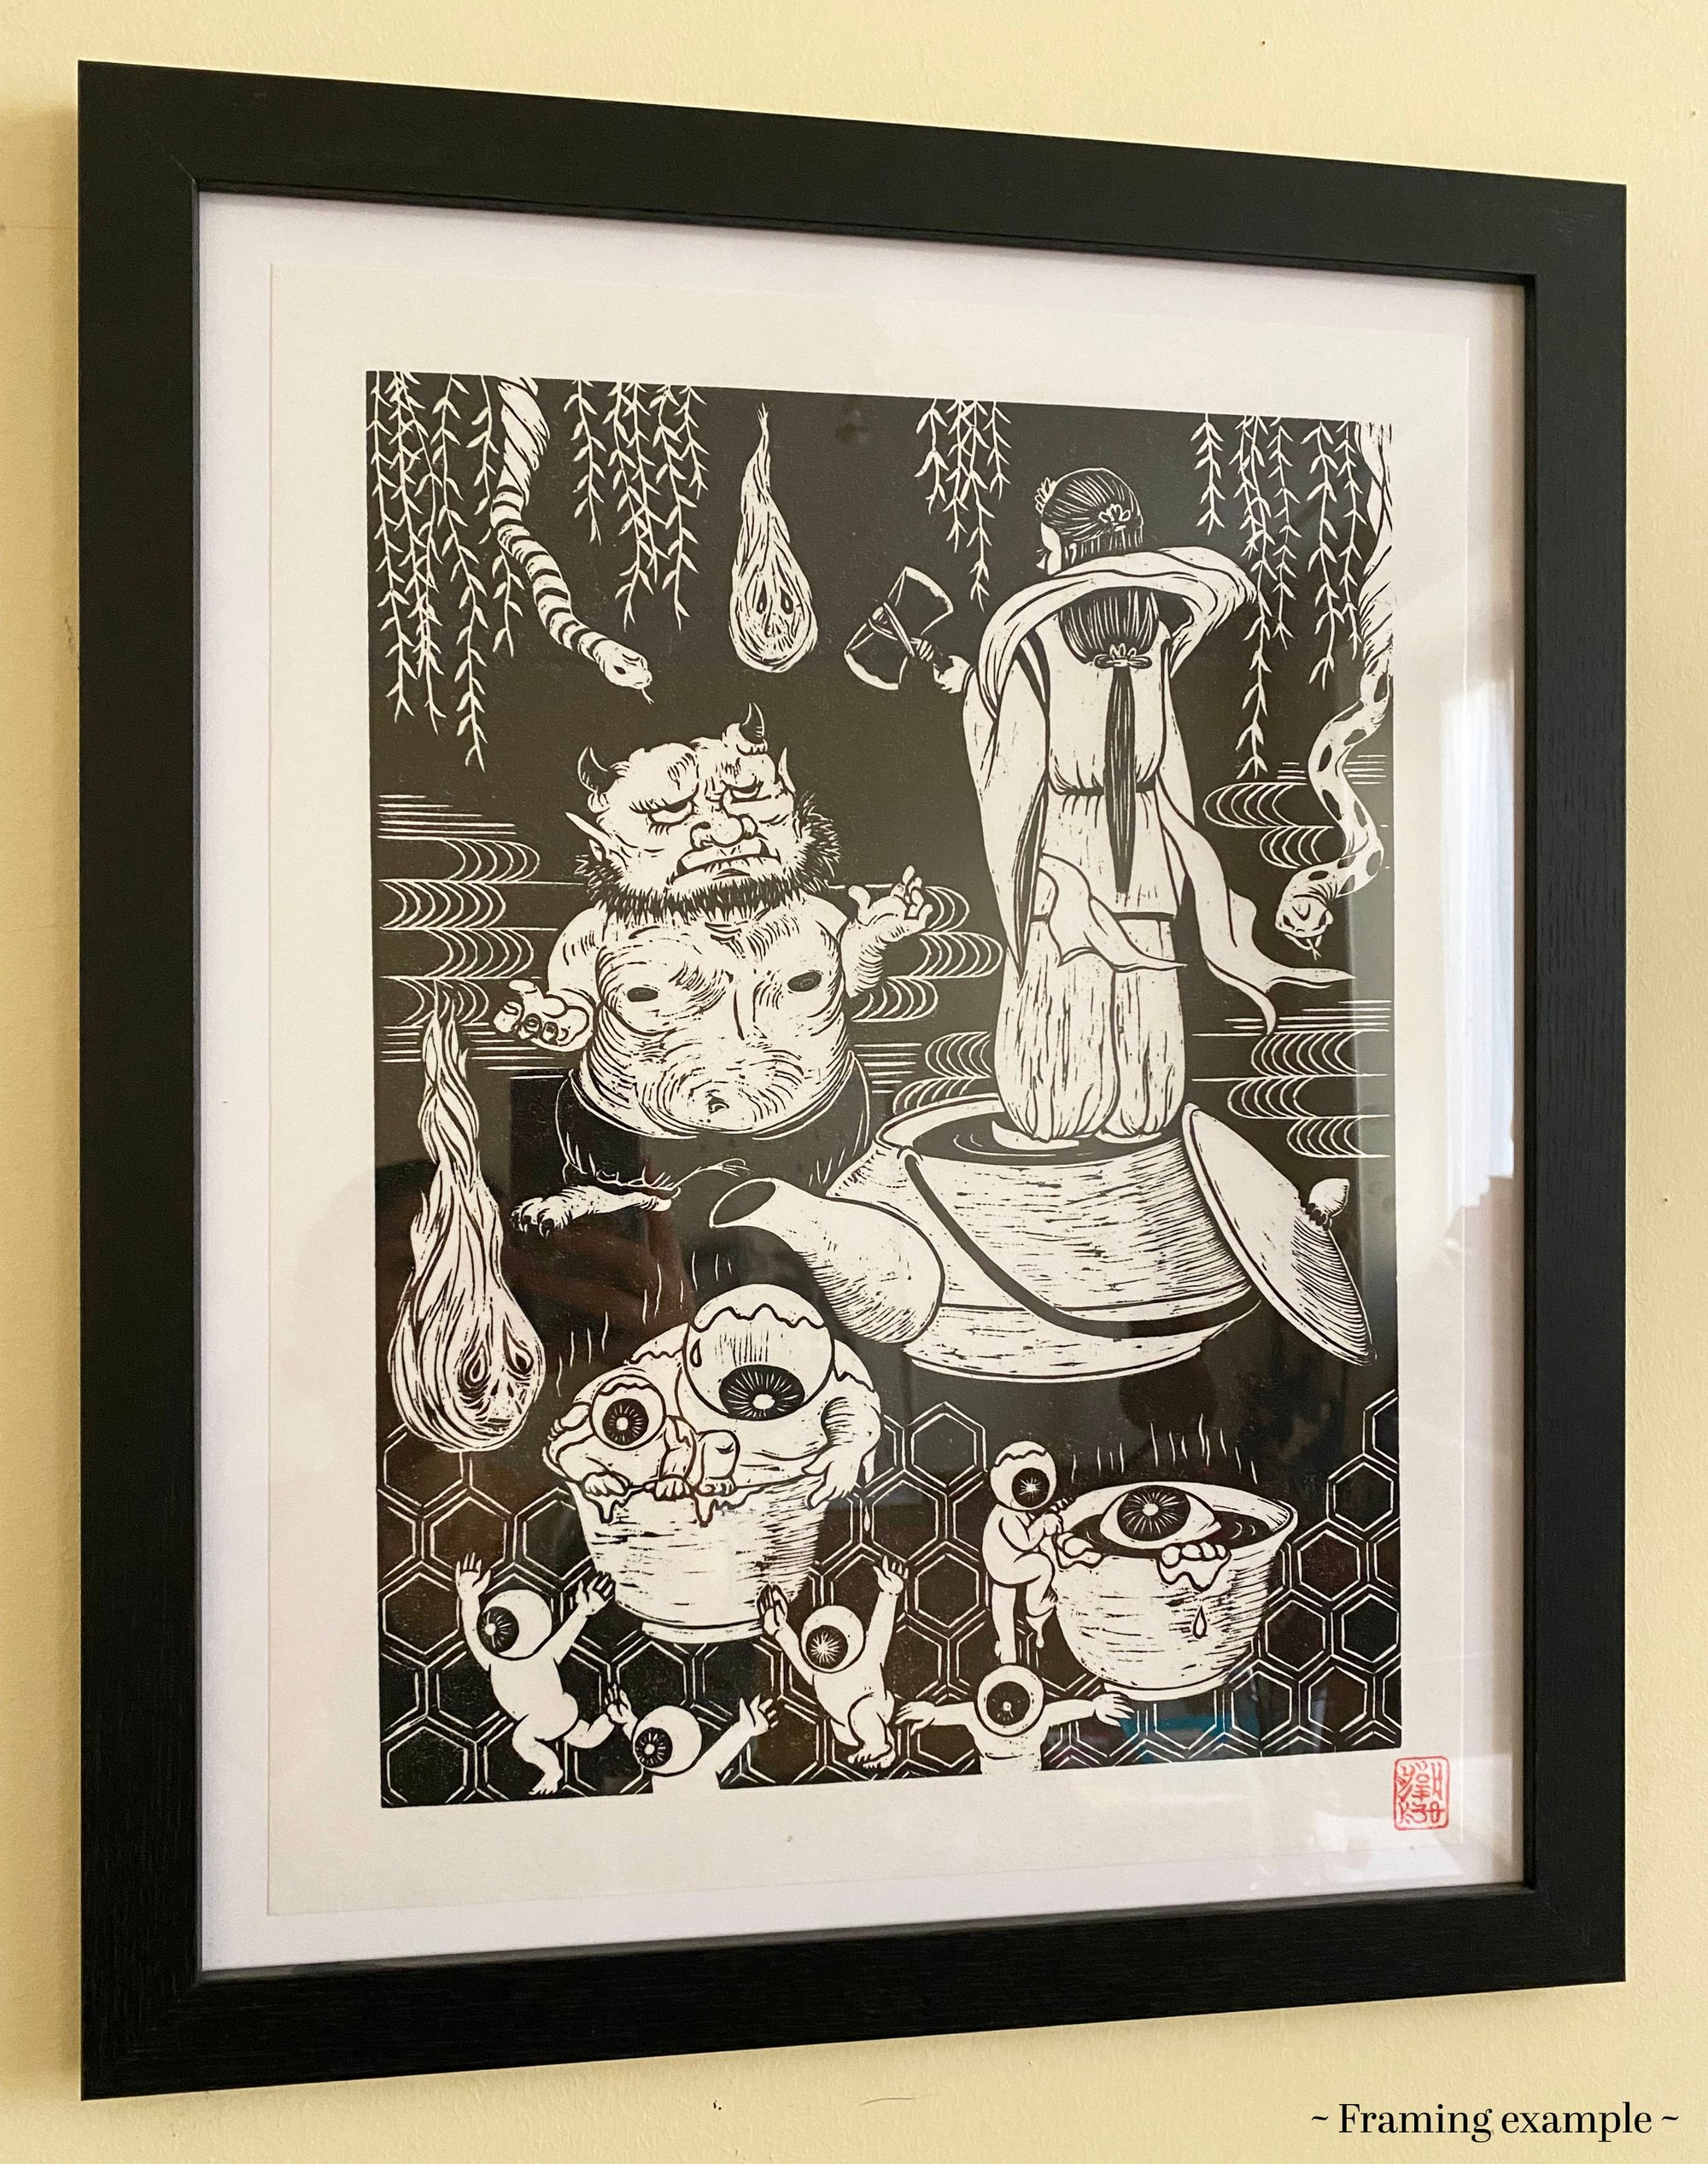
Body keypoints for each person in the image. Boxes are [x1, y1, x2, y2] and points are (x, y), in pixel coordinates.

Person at [946, 467, 1342, 1145]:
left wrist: (975, 699)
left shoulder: (1034, 645)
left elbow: (1014, 774)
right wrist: (1184, 867)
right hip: (1147, 842)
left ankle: (1055, 1115)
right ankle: (1141, 1113)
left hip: (1064, 846)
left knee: (1062, 1000)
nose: (1043, 561)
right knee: (1142, 1001)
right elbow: (1167, 760)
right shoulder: (1154, 638)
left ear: (1072, 549)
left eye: (1048, 548)